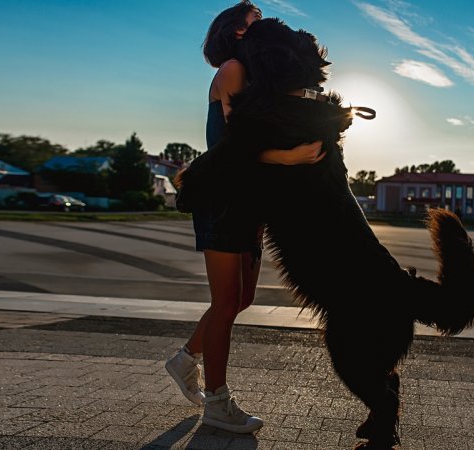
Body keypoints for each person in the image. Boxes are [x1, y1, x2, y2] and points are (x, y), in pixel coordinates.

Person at [164, 1, 323, 434]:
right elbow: (237, 145)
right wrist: (289, 157)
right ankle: (217, 402)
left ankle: (184, 360)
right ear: (238, 32)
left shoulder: (256, 77)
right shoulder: (233, 69)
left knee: (241, 299)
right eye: (257, 23)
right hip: (222, 193)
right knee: (226, 303)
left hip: (248, 196)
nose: (268, 29)